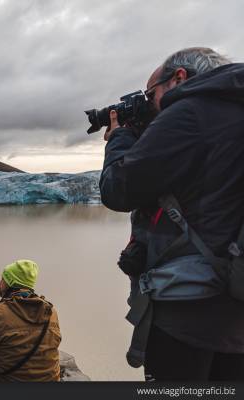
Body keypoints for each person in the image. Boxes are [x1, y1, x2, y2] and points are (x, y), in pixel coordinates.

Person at [100, 47, 244, 380]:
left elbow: (118, 189)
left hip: (189, 308)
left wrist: (120, 137)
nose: (150, 104)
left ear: (179, 78)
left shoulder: (191, 113)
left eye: (151, 94)